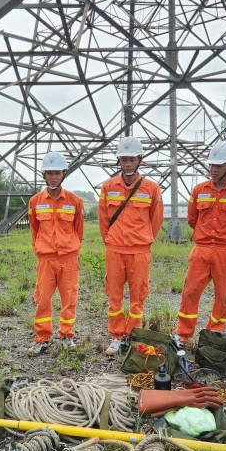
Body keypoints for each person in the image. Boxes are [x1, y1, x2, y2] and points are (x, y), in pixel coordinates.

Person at [173, 141, 226, 348]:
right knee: (190, 291)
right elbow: (193, 219)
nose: (214, 169)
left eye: (219, 165)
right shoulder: (199, 190)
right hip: (201, 250)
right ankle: (182, 335)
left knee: (223, 295)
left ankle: (214, 335)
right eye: (211, 165)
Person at [98, 136, 164, 355]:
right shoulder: (108, 187)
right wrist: (111, 240)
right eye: (124, 159)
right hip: (115, 250)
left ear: (139, 160)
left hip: (139, 251)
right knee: (114, 296)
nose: (128, 163)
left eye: (132, 159)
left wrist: (143, 239)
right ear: (119, 161)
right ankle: (117, 336)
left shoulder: (151, 188)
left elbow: (156, 220)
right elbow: (103, 220)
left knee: (138, 297)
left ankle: (134, 336)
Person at [26, 152, 85, 355]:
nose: (53, 177)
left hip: (68, 258)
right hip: (46, 258)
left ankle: (66, 335)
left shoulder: (75, 201)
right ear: (44, 174)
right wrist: (40, 249)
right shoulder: (35, 202)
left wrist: (71, 247)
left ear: (63, 174)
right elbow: (34, 230)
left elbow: (79, 229)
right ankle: (42, 337)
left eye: (57, 173)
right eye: (49, 173)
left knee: (69, 298)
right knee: (43, 298)